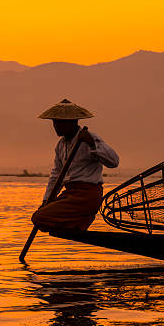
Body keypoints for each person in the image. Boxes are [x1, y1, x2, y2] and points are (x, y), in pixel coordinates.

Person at [31, 99, 119, 232]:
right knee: (41, 221)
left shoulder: (90, 138)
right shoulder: (61, 145)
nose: (55, 126)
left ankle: (80, 220)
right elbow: (56, 176)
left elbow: (114, 162)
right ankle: (79, 222)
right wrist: (47, 200)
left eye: (59, 123)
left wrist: (92, 144)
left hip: (87, 195)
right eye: (54, 122)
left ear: (71, 123)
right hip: (70, 193)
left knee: (39, 217)